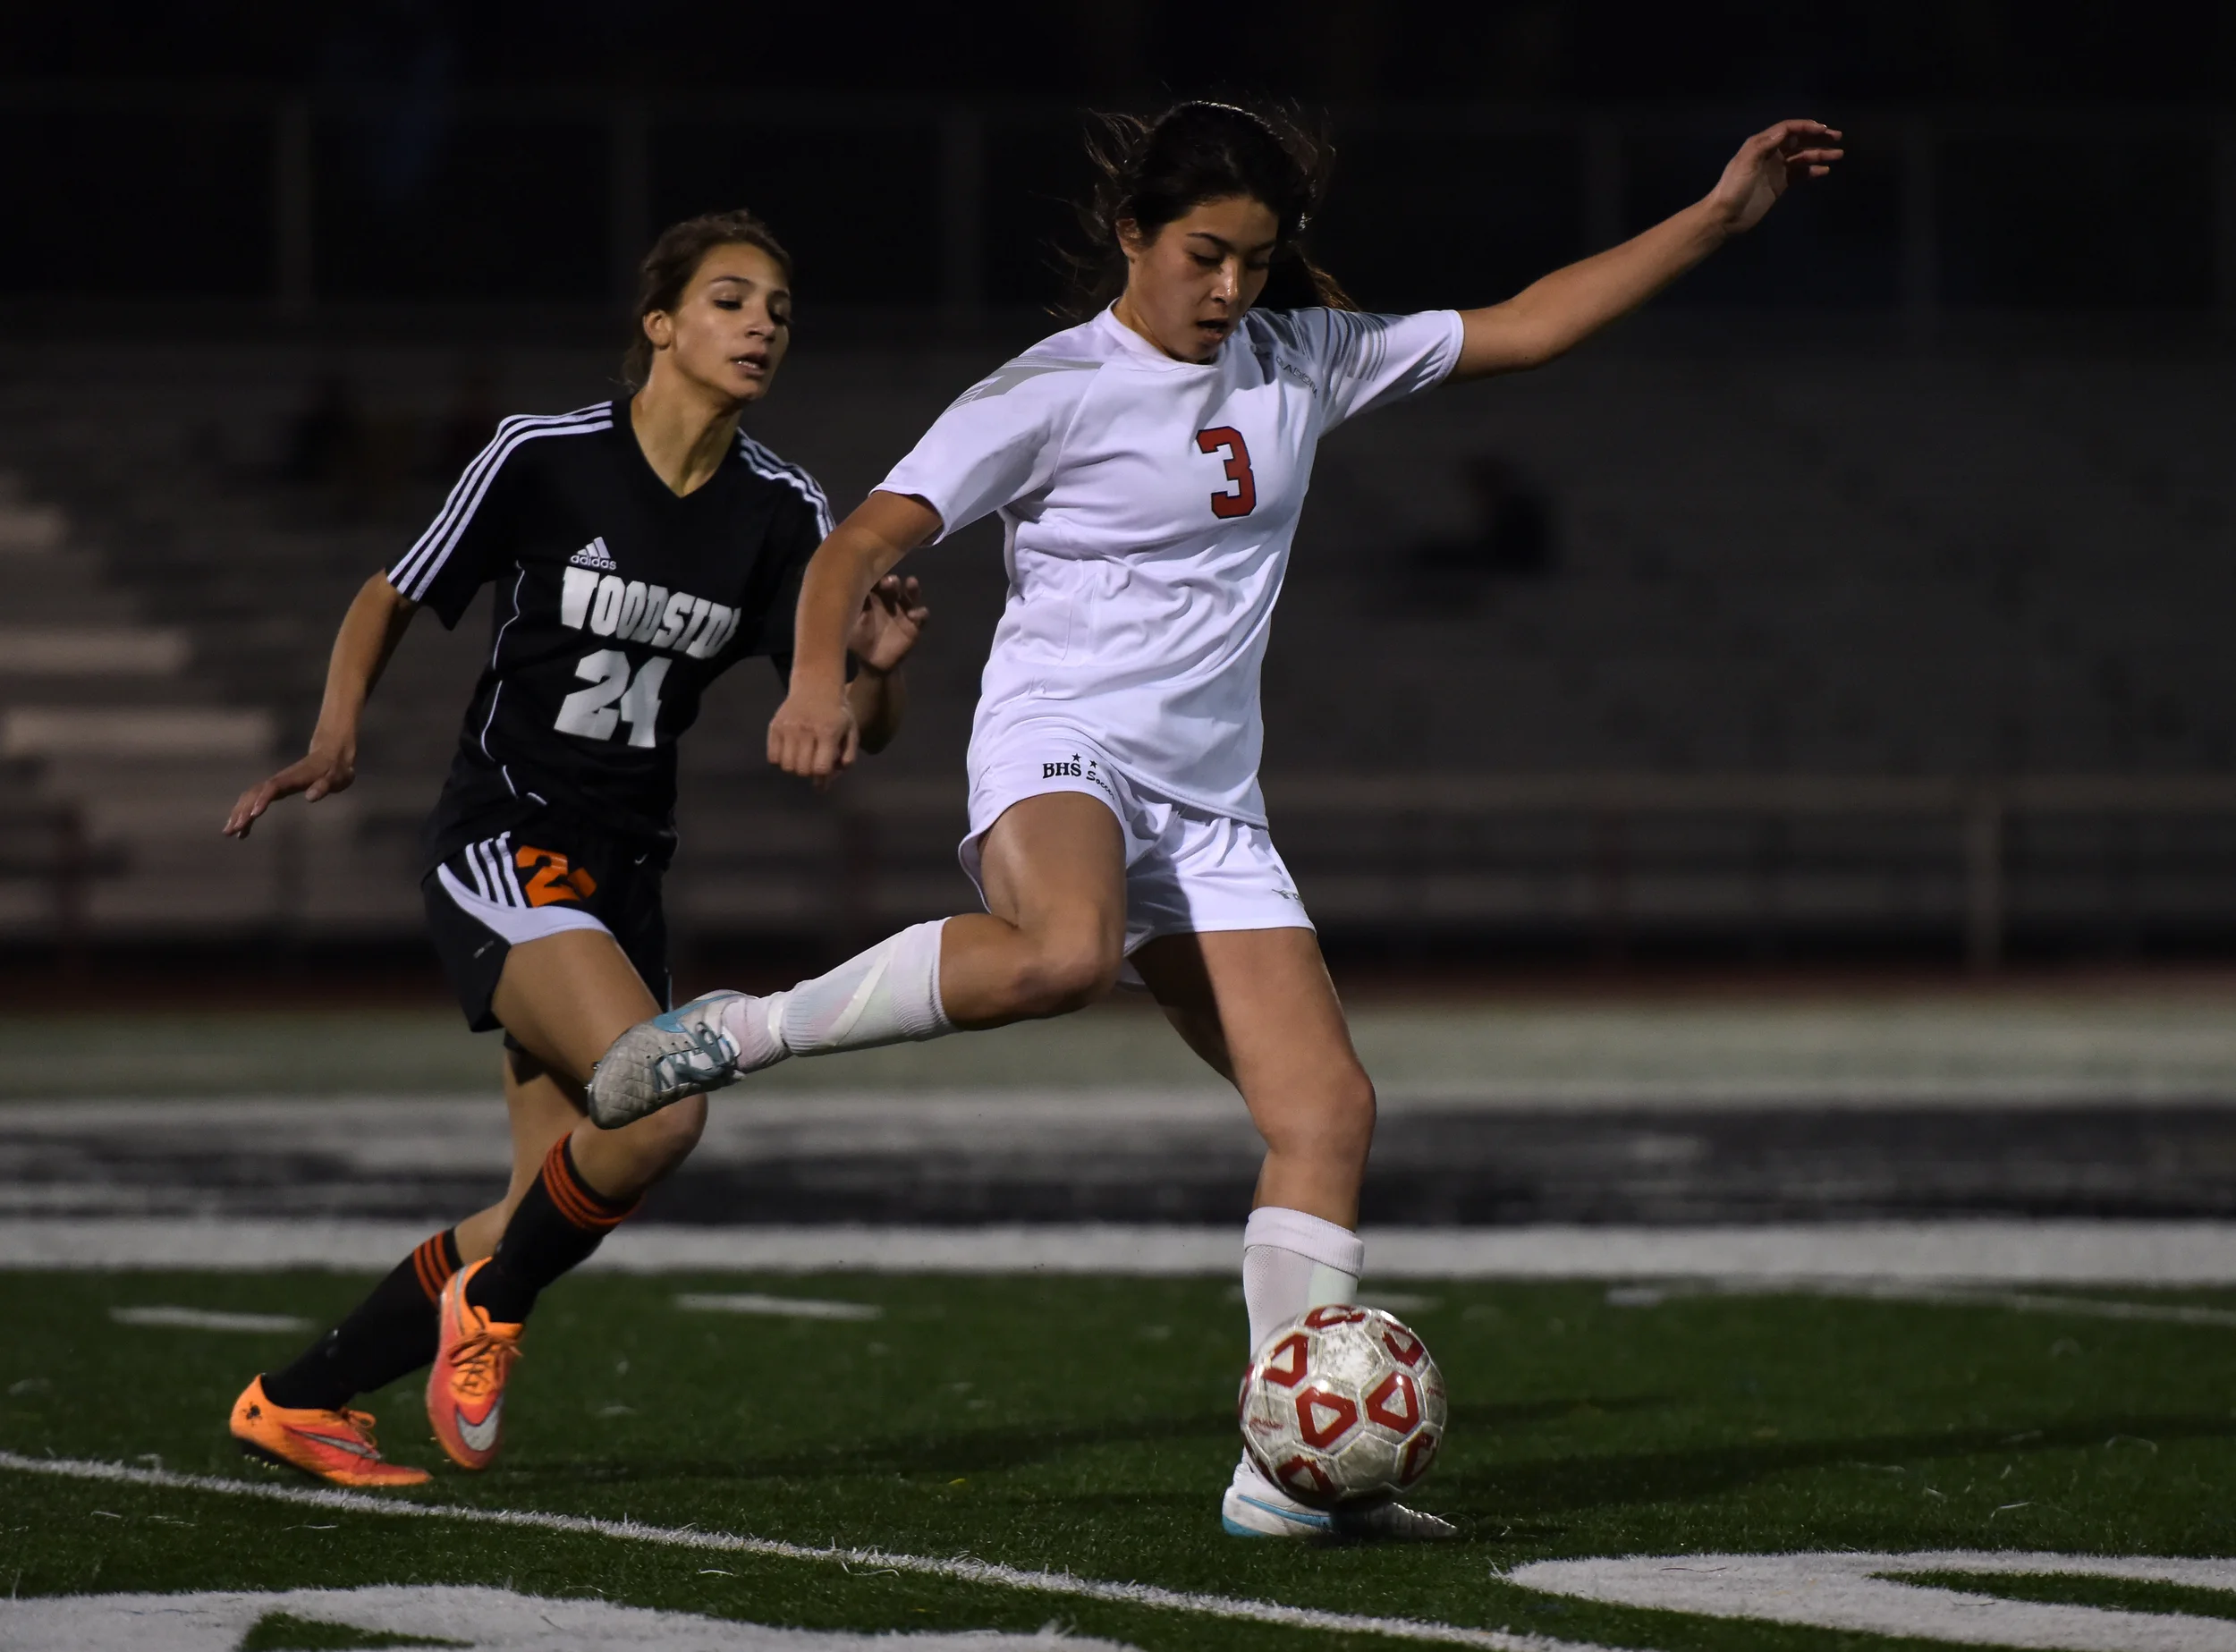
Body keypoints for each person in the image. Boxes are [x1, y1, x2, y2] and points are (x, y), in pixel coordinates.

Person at [592, 103, 1842, 1538]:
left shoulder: (1300, 359)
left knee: (1326, 1110)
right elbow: (865, 539)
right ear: (1134, 235)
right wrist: (817, 676)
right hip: (1061, 748)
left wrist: (1717, 215)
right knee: (1064, 951)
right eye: (1205, 255)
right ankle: (742, 1031)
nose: (1232, 289)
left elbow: (1532, 325)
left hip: (1209, 803)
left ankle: (1289, 1471)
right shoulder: (1052, 388)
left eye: (1256, 259)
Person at [218, 209, 930, 1487]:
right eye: (730, 298)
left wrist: (870, 675)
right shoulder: (543, 454)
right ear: (659, 323)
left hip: (626, 873)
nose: (763, 322)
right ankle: (487, 1311)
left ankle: (297, 1395)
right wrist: (336, 736)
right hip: (506, 834)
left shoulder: (785, 508)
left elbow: (861, 725)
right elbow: (392, 589)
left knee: (547, 1198)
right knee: (664, 1112)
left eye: (777, 306)